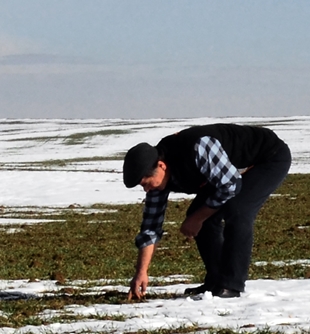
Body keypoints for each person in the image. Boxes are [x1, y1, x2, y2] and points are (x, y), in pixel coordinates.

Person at [122, 123, 291, 300]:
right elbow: (151, 226)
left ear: (162, 166)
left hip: (268, 157)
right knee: (200, 214)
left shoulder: (198, 147)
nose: (146, 190)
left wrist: (197, 218)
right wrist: (141, 272)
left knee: (238, 210)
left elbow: (230, 185)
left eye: (146, 183)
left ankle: (231, 285)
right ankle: (215, 281)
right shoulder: (156, 175)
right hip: (227, 171)